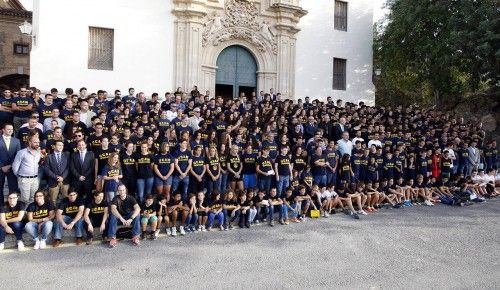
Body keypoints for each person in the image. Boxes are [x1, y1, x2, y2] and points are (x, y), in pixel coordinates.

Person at [12, 134, 41, 204]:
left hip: (35, 179)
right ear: (29, 142)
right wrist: (20, 177)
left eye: (38, 142)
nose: (37, 144)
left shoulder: (38, 153)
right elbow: (15, 166)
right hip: (24, 179)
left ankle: (30, 214)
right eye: (35, 142)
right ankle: (23, 214)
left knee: (34, 198)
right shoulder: (22, 152)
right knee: (25, 199)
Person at [44, 140, 70, 205]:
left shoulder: (67, 155)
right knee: (53, 200)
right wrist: (56, 177)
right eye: (59, 145)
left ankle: (64, 211)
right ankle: (53, 213)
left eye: (62, 145)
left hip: (65, 180)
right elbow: (47, 169)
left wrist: (63, 177)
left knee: (66, 198)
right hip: (53, 181)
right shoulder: (49, 157)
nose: (61, 147)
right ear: (54, 146)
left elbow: (68, 167)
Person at [0, 124, 21, 199]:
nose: (10, 131)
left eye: (12, 129)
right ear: (3, 130)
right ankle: (1, 207)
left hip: (12, 168)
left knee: (13, 189)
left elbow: (18, 155)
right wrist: (2, 166)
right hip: (0, 168)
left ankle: (13, 207)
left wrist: (10, 165)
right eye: (8, 129)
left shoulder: (17, 141)